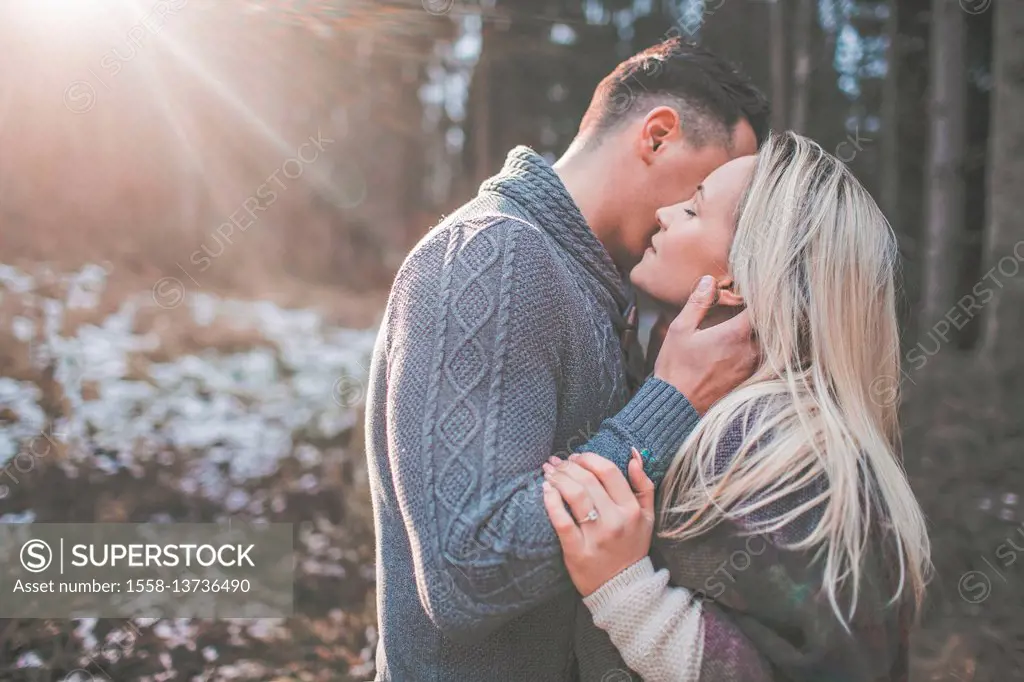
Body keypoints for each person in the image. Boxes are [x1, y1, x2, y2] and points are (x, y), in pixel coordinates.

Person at [364, 37, 770, 681]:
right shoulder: (496, 256)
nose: (704, 222)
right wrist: (672, 401)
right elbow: (471, 570)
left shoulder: (594, 285)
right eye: (704, 189)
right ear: (658, 135)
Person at [542, 131, 932, 682]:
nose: (663, 211)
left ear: (734, 281)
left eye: (693, 208)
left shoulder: (776, 449)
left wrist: (627, 593)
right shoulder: (732, 413)